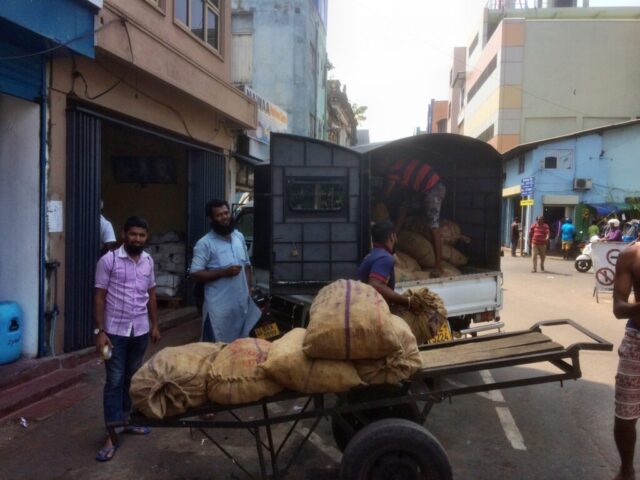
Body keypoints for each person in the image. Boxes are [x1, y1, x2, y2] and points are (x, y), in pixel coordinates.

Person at [93, 216, 160, 462]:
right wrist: (100, 331)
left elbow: (151, 294)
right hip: (114, 333)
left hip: (139, 331)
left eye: (142, 235)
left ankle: (126, 421)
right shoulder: (108, 260)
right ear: (124, 234)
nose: (137, 239)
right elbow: (99, 296)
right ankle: (111, 434)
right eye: (133, 234)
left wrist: (155, 324)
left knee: (132, 378)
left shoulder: (148, 261)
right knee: (114, 381)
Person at [190, 199, 260, 342]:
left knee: (240, 347)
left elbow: (246, 266)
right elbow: (195, 273)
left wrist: (249, 288)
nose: (224, 217)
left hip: (240, 306)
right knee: (215, 348)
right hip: (218, 310)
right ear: (211, 219)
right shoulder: (205, 244)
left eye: (226, 213)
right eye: (219, 215)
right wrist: (222, 273)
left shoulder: (238, 237)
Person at [383, 158, 446, 275]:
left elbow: (390, 188)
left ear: (384, 162)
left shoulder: (394, 168)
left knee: (433, 226)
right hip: (425, 189)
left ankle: (438, 266)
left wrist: (381, 200)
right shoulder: (401, 163)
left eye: (380, 163)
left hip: (433, 189)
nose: (380, 166)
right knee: (404, 207)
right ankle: (396, 233)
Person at [612, 242, 640, 480]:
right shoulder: (631, 254)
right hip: (637, 341)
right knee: (625, 415)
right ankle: (627, 470)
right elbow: (619, 308)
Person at [356, 220, 418, 311]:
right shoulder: (385, 257)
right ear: (392, 237)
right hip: (369, 310)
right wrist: (407, 302)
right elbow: (375, 284)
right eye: (395, 236)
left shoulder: (372, 255)